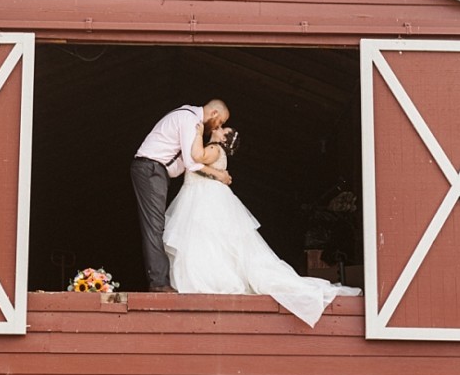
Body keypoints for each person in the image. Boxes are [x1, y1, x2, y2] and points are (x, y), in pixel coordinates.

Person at [163, 123, 362, 327]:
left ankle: (208, 280)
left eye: (224, 129)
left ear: (224, 139)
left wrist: (195, 132)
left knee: (206, 241)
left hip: (204, 199)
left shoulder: (213, 149)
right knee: (210, 242)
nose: (219, 127)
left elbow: (197, 157)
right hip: (201, 198)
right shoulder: (214, 149)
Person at [131, 100, 230, 291]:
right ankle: (159, 283)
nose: (218, 127)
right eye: (220, 122)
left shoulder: (190, 117)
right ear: (214, 113)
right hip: (151, 169)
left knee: (157, 226)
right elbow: (192, 163)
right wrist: (219, 175)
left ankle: (160, 280)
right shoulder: (189, 120)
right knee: (155, 226)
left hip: (156, 171)